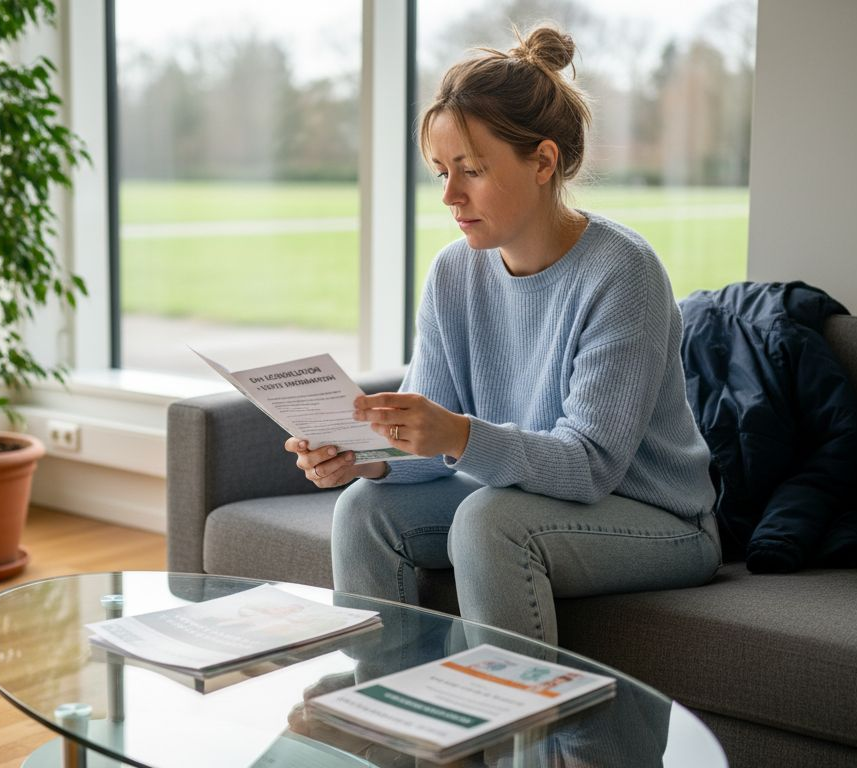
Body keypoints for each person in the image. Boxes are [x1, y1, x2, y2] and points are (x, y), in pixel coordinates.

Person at [284, 22, 721, 646]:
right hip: (527, 495)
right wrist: (365, 459)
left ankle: (513, 740)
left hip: (660, 519)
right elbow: (426, 445)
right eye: (440, 172)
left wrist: (457, 435)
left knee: (489, 522)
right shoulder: (454, 272)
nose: (450, 196)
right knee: (363, 510)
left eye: (472, 170)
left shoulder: (623, 271)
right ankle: (386, 724)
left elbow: (591, 466)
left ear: (543, 161)